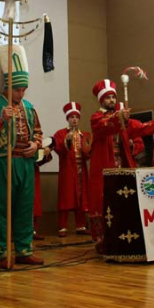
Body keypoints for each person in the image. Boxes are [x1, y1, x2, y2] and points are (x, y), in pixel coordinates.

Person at [0, 45, 44, 269]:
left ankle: (24, 250)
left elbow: (38, 132)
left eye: (24, 89)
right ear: (8, 87)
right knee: (2, 209)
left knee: (25, 207)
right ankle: (3, 253)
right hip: (1, 162)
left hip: (24, 163)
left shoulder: (28, 107)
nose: (21, 93)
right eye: (17, 89)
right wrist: (0, 121)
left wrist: (35, 145)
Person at [88, 79, 154, 245]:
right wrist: (119, 117)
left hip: (120, 166)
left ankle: (120, 236)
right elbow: (105, 126)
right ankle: (103, 240)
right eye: (108, 98)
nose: (111, 100)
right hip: (104, 166)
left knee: (121, 201)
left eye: (113, 97)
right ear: (102, 100)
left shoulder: (122, 119)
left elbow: (140, 127)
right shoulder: (96, 118)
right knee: (103, 201)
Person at [52, 102, 91, 238]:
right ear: (67, 119)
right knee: (66, 197)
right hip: (67, 171)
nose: (74, 119)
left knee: (81, 197)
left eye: (76, 117)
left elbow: (87, 154)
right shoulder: (60, 134)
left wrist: (87, 148)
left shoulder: (84, 135)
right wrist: (67, 141)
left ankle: (81, 225)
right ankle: (62, 227)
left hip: (81, 171)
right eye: (71, 117)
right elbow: (58, 150)